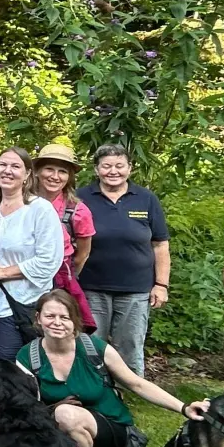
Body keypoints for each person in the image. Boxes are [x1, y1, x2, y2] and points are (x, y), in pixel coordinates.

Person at [18, 289, 204, 447]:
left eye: (64, 317)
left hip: (110, 426)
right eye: (50, 316)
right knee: (60, 416)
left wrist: (184, 407)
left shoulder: (94, 348)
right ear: (38, 318)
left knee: (66, 414)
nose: (57, 322)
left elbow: (137, 384)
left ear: (75, 320)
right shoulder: (27, 356)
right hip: (56, 426)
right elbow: (23, 405)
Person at [77, 144, 170, 375]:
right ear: (96, 169)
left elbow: (160, 244)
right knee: (90, 346)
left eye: (119, 165)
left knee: (130, 347)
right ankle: (92, 388)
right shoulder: (81, 197)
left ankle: (129, 389)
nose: (113, 171)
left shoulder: (146, 199)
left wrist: (161, 284)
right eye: (106, 166)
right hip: (91, 287)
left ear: (130, 168)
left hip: (136, 289)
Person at [0, 147, 63, 362]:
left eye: (15, 166)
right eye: (3, 165)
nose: (7, 171)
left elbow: (49, 260)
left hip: (16, 302)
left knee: (4, 366)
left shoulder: (40, 210)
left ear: (27, 174)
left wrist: (3, 272)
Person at [33, 143, 97, 332]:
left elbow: (83, 254)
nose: (55, 176)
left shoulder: (77, 211)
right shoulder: (21, 202)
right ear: (37, 171)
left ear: (69, 177)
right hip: (20, 279)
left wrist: (64, 275)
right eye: (49, 169)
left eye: (62, 171)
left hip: (58, 282)